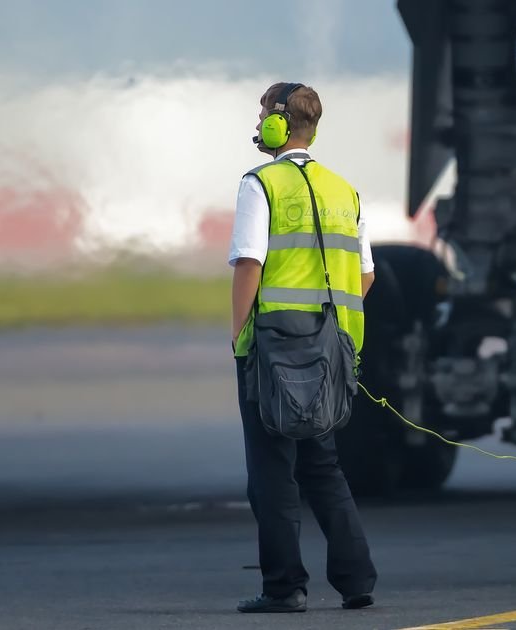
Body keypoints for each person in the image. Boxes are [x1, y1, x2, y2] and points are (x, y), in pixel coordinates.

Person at [228, 81, 377, 614]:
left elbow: (250, 262)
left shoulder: (259, 184)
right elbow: (366, 275)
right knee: (322, 465)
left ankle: (284, 586)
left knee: (271, 470)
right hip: (332, 346)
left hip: (272, 345)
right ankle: (357, 580)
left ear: (275, 123)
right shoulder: (345, 190)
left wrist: (238, 334)